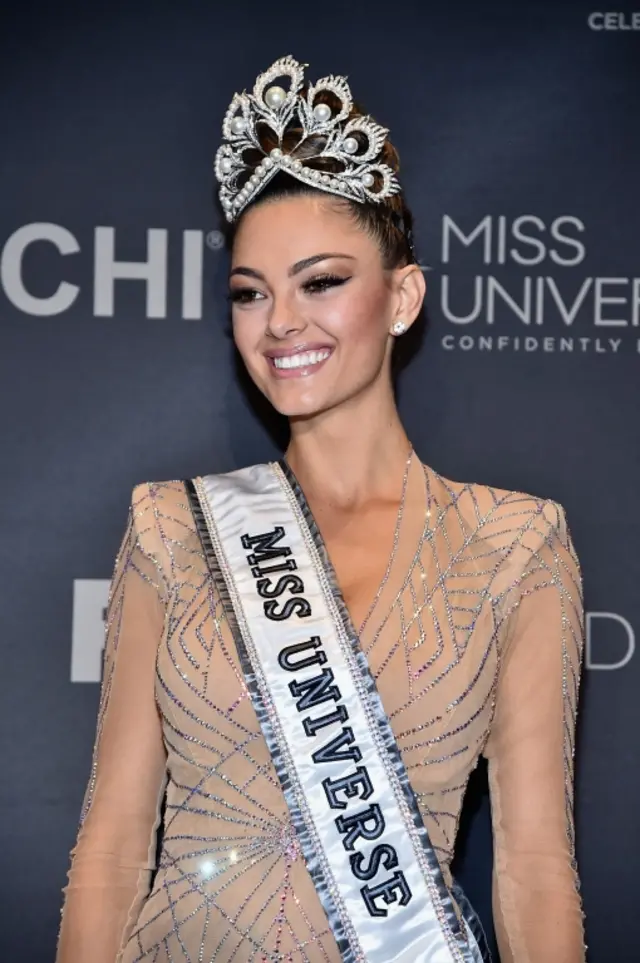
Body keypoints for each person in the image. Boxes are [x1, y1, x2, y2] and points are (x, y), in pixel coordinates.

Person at [56, 55, 586, 963]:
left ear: (403, 297)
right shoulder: (172, 529)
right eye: (251, 292)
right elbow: (111, 842)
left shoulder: (515, 545)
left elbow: (533, 864)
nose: (280, 323)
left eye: (323, 281)